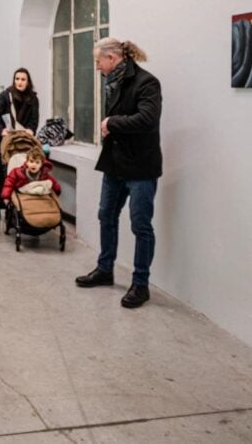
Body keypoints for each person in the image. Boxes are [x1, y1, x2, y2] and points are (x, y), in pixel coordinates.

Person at [75, 38, 162, 309]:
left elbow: (147, 119)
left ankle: (140, 284)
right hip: (114, 164)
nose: (97, 67)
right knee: (106, 216)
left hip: (140, 167)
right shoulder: (112, 82)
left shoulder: (147, 82)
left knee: (141, 225)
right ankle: (105, 269)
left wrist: (112, 122)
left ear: (112, 58)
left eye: (98, 61)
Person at [0, 68, 40, 221]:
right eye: (17, 79)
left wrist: (31, 130)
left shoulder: (33, 99)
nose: (19, 82)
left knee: (20, 174)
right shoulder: (5, 96)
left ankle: (15, 209)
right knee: (5, 176)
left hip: (22, 143)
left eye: (23, 79)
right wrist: (0, 130)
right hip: (5, 143)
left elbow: (34, 119)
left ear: (28, 82)